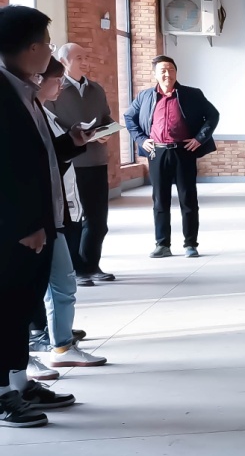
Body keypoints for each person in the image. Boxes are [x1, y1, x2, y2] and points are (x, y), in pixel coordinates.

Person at [0, 5, 77, 428]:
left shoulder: (25, 91)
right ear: (32, 48)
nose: (50, 50)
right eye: (47, 43)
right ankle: (3, 395)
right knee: (8, 309)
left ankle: (20, 382)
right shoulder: (3, 94)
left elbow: (38, 157)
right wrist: (24, 224)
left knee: (23, 307)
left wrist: (72, 144)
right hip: (16, 229)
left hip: (40, 222)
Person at [35, 57, 107, 369]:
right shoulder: (21, 110)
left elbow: (51, 156)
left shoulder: (41, 112)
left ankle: (62, 345)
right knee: (33, 288)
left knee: (63, 283)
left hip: (54, 211)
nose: (61, 85)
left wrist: (74, 141)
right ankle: (25, 355)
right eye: (57, 79)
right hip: (33, 217)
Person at [124, 55, 219, 259]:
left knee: (188, 198)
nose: (167, 74)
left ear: (176, 72)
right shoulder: (144, 96)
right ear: (155, 74)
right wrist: (141, 139)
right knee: (160, 200)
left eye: (171, 69)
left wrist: (200, 138)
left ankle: (190, 244)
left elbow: (213, 115)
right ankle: (162, 244)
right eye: (163, 70)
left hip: (184, 151)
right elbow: (129, 118)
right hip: (156, 152)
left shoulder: (192, 94)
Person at [49, 42, 116, 285]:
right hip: (70, 165)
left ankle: (91, 265)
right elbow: (52, 126)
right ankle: (76, 269)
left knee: (98, 220)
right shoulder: (54, 90)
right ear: (63, 61)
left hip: (96, 161)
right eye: (79, 58)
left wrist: (108, 130)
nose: (85, 62)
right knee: (74, 219)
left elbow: (106, 118)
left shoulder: (96, 89)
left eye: (86, 57)